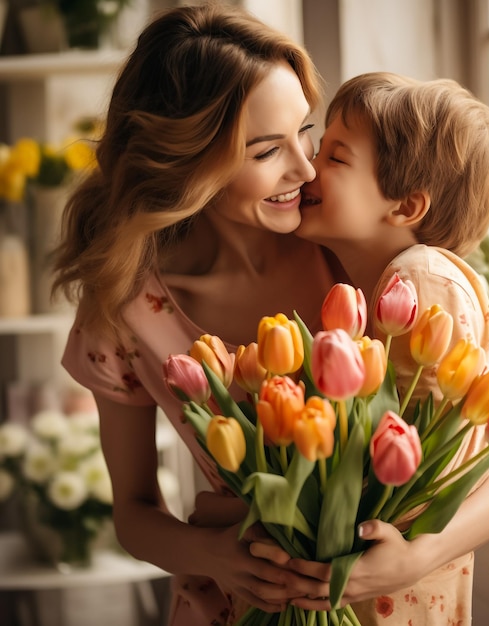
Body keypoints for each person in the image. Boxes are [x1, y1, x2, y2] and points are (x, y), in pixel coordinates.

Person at [52, 3, 342, 624]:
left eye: (306, 132)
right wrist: (214, 554)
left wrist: (400, 563)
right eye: (267, 151)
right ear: (189, 164)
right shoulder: (125, 310)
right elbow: (133, 511)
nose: (307, 167)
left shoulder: (351, 246)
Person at [287, 72, 489, 624]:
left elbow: (411, 451)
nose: (309, 167)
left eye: (336, 157)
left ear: (405, 207)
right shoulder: (397, 276)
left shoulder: (420, 278)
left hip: (390, 567)